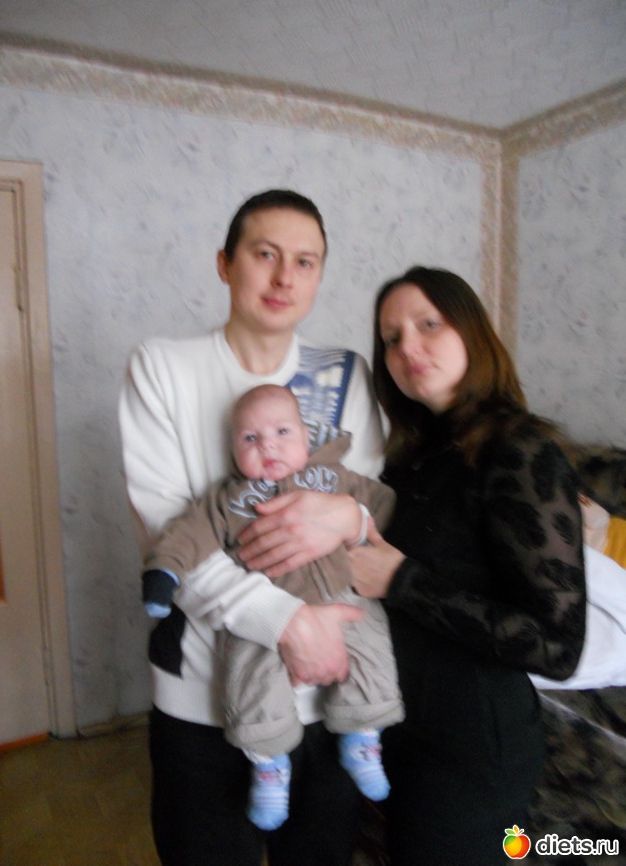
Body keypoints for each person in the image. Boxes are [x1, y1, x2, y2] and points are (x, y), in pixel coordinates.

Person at [118, 189, 386, 866]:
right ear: (225, 264)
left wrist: (348, 516)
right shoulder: (162, 366)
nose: (284, 277)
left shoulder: (344, 374)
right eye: (265, 254)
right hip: (200, 700)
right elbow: (167, 533)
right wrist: (286, 622)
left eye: (305, 261)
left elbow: (367, 519)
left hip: (327, 695)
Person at [348, 266, 587, 865]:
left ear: (471, 332)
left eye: (428, 324)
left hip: (472, 747)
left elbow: (557, 645)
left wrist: (401, 580)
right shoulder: (411, 458)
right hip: (400, 727)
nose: (408, 346)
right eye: (392, 337)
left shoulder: (522, 452)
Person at [142, 384, 404, 831]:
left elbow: (388, 507)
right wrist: (163, 573)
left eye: (282, 432)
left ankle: (363, 735)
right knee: (249, 671)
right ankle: (268, 763)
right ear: (232, 449)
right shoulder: (230, 499)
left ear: (307, 436)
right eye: (250, 438)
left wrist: (360, 520)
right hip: (268, 603)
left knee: (372, 640)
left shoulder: (334, 477)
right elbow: (186, 534)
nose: (267, 445)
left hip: (343, 592)